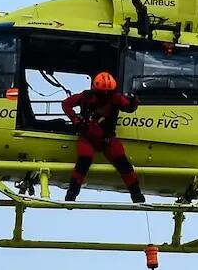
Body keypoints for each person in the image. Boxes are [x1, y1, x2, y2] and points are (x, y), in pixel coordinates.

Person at [60, 71, 145, 203]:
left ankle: (136, 194)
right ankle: (72, 192)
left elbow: (128, 107)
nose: (105, 94)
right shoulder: (86, 97)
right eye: (102, 92)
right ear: (95, 89)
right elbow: (66, 104)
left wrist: (134, 102)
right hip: (88, 138)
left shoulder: (115, 98)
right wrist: (75, 120)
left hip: (108, 139)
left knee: (124, 164)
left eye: (107, 92)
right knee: (84, 161)